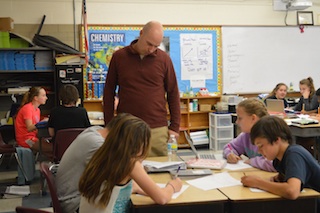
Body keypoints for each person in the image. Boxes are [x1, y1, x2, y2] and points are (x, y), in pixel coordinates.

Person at [103, 20, 180, 157]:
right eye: (149, 44)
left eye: (156, 46)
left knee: (159, 172)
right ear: (141, 34)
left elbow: (173, 93)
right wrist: (109, 125)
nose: (151, 49)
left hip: (156, 129)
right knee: (125, 171)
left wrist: (174, 127)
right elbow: (108, 92)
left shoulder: (164, 59)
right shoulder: (119, 57)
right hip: (126, 129)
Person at [79, 114, 182, 213]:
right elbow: (162, 198)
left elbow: (123, 188)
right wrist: (172, 187)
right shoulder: (130, 163)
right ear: (140, 145)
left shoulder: (102, 155)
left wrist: (140, 189)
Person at [56, 113, 128, 213]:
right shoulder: (98, 144)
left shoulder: (94, 130)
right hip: (74, 203)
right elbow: (114, 178)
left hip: (70, 195)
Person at [241, 116, 320, 204]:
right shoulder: (278, 160)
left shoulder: (294, 154)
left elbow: (292, 191)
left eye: (261, 146)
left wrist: (258, 182)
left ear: (276, 140)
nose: (259, 151)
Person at [223, 98, 276, 172]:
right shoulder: (246, 135)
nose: (237, 122)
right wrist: (230, 154)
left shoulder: (271, 136)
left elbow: (275, 164)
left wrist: (252, 161)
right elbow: (229, 146)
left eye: (240, 118)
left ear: (253, 118)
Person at [14, 87, 52, 159]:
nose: (46, 98)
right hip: (26, 140)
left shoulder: (37, 110)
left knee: (52, 151)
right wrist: (42, 122)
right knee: (53, 148)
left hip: (33, 137)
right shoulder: (27, 108)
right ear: (36, 98)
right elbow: (29, 128)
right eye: (43, 95)